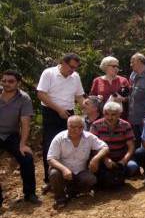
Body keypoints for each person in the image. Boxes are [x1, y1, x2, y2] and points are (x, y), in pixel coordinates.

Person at [37, 53, 85, 186]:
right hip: (51, 112)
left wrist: (85, 104)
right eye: (71, 67)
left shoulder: (75, 77)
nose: (72, 70)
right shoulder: (49, 73)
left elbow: (79, 96)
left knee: (70, 144)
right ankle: (50, 180)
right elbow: (41, 94)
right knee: (50, 144)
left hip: (69, 114)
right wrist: (58, 110)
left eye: (75, 68)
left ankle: (68, 176)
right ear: (62, 62)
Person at [47, 116, 109, 208]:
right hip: (62, 172)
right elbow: (50, 158)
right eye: (71, 126)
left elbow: (105, 147)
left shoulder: (89, 137)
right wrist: (64, 169)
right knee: (54, 174)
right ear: (67, 126)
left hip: (80, 171)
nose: (74, 129)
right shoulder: (59, 138)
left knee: (91, 179)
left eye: (77, 127)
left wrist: (95, 159)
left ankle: (72, 191)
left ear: (82, 127)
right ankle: (60, 198)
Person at [0, 70, 39, 204]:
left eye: (10, 81)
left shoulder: (24, 98)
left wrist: (22, 144)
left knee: (26, 158)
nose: (6, 84)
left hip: (11, 134)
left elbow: (25, 123)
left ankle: (30, 193)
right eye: (4, 81)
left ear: (18, 83)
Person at [90, 101, 139, 188]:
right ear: (103, 113)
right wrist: (105, 159)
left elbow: (131, 147)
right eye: (107, 114)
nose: (109, 117)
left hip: (120, 158)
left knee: (133, 167)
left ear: (119, 114)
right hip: (102, 158)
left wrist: (124, 160)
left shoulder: (126, 125)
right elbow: (93, 147)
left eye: (113, 114)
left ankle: (118, 177)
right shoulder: (95, 125)